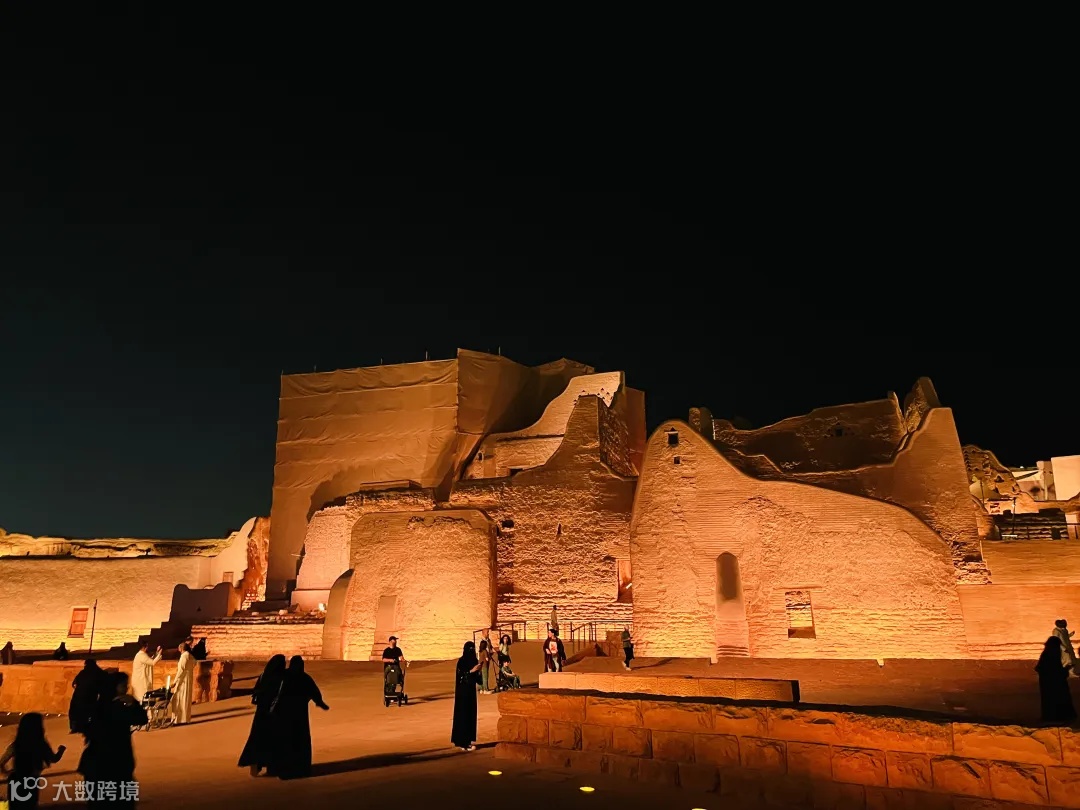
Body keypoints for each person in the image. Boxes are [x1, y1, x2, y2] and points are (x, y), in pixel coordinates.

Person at [78, 671, 147, 808]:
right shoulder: (116, 708)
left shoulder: (99, 706)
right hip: (114, 763)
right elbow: (141, 719)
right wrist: (133, 703)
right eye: (123, 686)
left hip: (98, 764)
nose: (126, 689)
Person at [275, 656, 329, 779]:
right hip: (299, 715)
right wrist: (320, 703)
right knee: (300, 740)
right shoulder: (304, 678)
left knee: (286, 740)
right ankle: (300, 768)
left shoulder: (285, 676)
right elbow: (314, 692)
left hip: (285, 715)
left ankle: (285, 769)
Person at [0, 712, 65, 808]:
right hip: (31, 781)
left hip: (16, 780)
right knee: (30, 805)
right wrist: (61, 750)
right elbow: (54, 759)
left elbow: (2, 761)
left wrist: (7, 772)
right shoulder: (41, 744)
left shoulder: (18, 744)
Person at [238, 654, 287, 778]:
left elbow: (256, 691)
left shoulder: (263, 675)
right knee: (273, 740)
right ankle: (272, 766)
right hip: (274, 713)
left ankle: (254, 763)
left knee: (257, 738)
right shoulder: (281, 678)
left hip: (261, 713)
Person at [1036, 636, 1077, 725]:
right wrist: (1065, 670)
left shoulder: (1047, 654)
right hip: (1053, 683)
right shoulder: (1052, 655)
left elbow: (1042, 669)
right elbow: (1054, 671)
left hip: (1047, 683)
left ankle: (1052, 717)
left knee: (1050, 700)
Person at [451, 641, 483, 751]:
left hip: (471, 693)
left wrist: (478, 671)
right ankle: (462, 742)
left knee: (470, 715)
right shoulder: (462, 662)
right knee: (463, 715)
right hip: (462, 693)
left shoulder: (474, 660)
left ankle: (468, 740)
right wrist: (471, 671)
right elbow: (461, 676)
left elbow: (479, 680)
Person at [69, 659, 105, 737]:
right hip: (89, 697)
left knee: (76, 712)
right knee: (88, 712)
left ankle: (76, 727)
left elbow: (74, 683)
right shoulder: (98, 672)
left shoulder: (83, 672)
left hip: (79, 696)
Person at [169, 642, 195, 725]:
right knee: (184, 699)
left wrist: (175, 682)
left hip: (183, 680)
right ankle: (184, 718)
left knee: (179, 699)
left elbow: (181, 670)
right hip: (187, 679)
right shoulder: (189, 655)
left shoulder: (184, 656)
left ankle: (179, 719)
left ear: (181, 648)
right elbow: (194, 663)